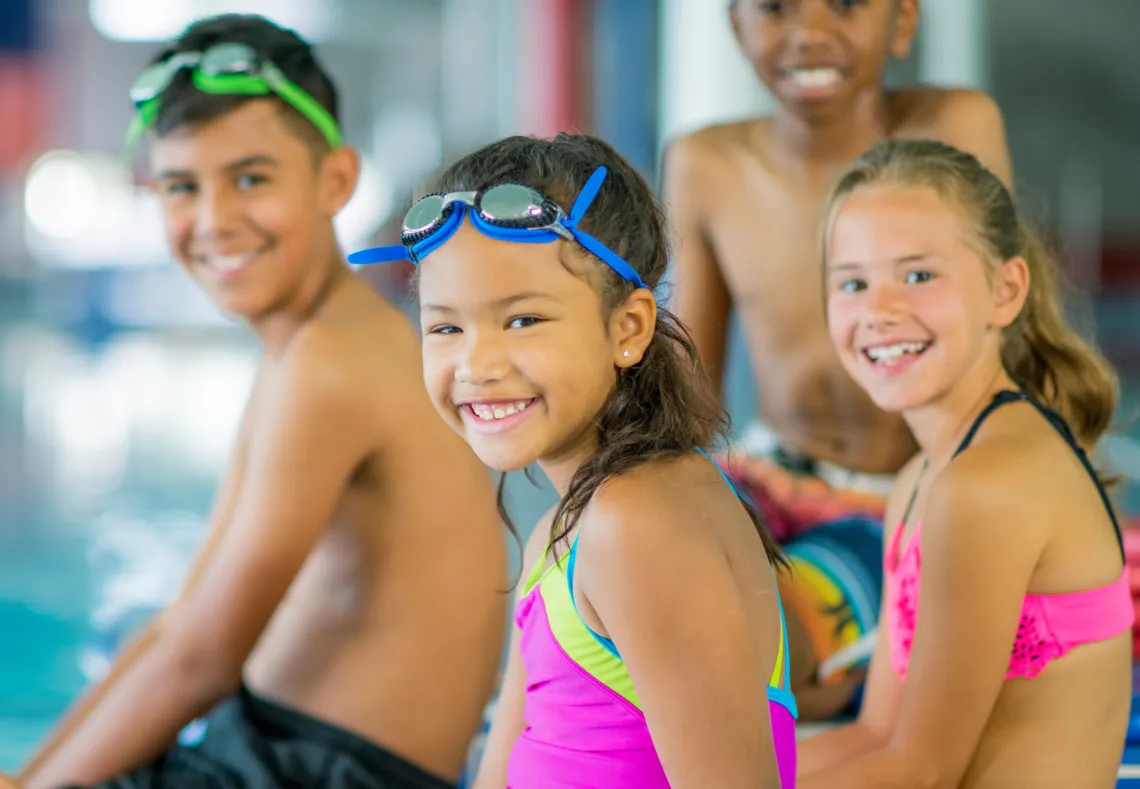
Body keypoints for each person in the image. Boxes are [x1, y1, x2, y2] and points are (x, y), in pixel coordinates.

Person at [9, 15, 508, 789]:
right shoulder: (315, 342)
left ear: (335, 180)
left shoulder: (329, 364)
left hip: (323, 771)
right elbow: (181, 625)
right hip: (272, 749)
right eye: (181, 186)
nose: (214, 221)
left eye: (250, 178)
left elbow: (203, 656)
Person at [349, 132, 799, 788]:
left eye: (524, 320)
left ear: (629, 328)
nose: (478, 364)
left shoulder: (637, 522)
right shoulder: (561, 534)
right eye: (446, 326)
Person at [662, 0, 1017, 718]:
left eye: (847, 4)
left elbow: (1008, 338)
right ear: (737, 24)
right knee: (637, 579)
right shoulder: (704, 162)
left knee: (768, 640)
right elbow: (685, 393)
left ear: (904, 20)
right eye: (775, 8)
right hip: (770, 478)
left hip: (907, 495)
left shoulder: (955, 125)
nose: (810, 32)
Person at [797, 138, 1133, 788]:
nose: (880, 309)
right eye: (853, 282)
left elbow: (917, 770)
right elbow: (877, 735)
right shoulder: (921, 480)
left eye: (918, 275)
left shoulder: (988, 483)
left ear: (1004, 291)